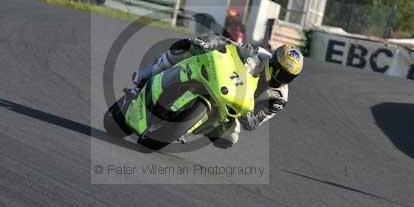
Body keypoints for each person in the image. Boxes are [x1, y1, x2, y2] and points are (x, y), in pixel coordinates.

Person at [130, 34, 304, 148]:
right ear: (273, 61)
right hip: (223, 80)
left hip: (232, 109)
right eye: (280, 71)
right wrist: (208, 42)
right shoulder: (258, 54)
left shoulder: (278, 98)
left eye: (288, 77)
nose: (281, 78)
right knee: (186, 48)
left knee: (230, 138)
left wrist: (244, 110)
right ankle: (143, 78)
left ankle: (185, 128)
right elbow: (230, 45)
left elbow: (253, 122)